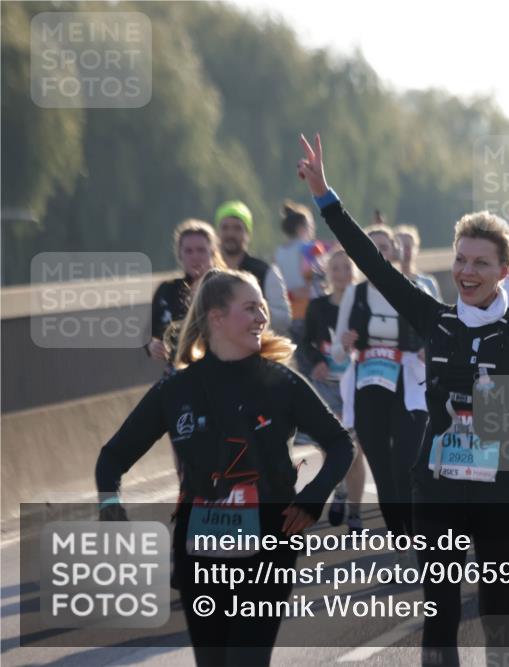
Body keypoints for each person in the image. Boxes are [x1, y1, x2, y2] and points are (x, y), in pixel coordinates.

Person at [298, 132, 509, 666]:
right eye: (461, 260)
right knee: (441, 616)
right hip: (439, 487)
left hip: (505, 489)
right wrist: (325, 197)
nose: (467, 272)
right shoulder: (434, 319)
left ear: (503, 271)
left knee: (497, 617)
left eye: (481, 263)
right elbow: (374, 266)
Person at [97, 268, 354, 667]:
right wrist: (110, 502)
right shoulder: (176, 389)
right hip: (198, 544)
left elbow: (340, 444)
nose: (261, 318)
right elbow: (113, 456)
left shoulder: (282, 382)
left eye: (263, 308)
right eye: (250, 308)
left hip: (271, 538)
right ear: (217, 317)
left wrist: (312, 499)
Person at [328, 224, 428, 542]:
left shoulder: (413, 287)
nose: (377, 254)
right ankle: (400, 536)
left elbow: (435, 335)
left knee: (406, 463)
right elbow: (338, 356)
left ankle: (415, 531)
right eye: (370, 248)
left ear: (394, 252)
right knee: (382, 468)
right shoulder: (355, 295)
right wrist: (344, 344)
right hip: (368, 385)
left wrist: (428, 349)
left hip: (407, 385)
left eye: (383, 247)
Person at [303, 247, 367, 531]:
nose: (342, 274)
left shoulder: (364, 308)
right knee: (333, 450)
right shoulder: (317, 308)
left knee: (356, 453)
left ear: (355, 272)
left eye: (347, 267)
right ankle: (339, 488)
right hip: (326, 388)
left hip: (357, 387)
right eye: (336, 268)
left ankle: (355, 512)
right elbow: (304, 342)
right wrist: (317, 361)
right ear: (327, 273)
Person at [147, 219, 224, 369]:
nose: (195, 256)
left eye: (201, 250)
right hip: (178, 375)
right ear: (179, 255)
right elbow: (149, 331)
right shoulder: (166, 290)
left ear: (213, 252)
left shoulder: (228, 288)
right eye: (188, 251)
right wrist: (152, 345)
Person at [215, 200, 293, 336]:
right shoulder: (209, 272)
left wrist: (250, 309)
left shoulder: (266, 272)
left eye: (237, 228)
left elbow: (283, 320)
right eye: (225, 228)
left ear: (248, 234)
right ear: (217, 233)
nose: (230, 234)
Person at [273, 201, 328, 365]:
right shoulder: (310, 248)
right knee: (316, 358)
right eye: (311, 225)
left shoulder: (279, 253)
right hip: (312, 310)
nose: (313, 230)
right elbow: (321, 273)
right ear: (301, 228)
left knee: (299, 359)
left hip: (289, 312)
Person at [396, 224, 442, 299]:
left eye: (407, 247)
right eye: (400, 247)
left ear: (416, 249)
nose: (403, 251)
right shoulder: (389, 282)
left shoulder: (428, 282)